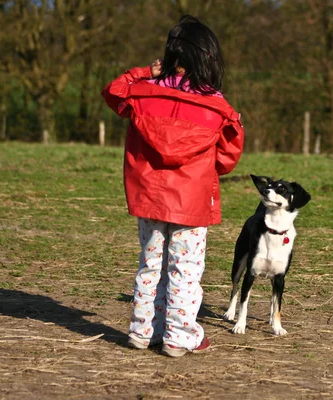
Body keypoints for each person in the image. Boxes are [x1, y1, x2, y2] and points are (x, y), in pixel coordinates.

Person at [101, 15, 244, 357]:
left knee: (151, 264)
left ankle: (141, 330)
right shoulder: (217, 106)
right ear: (208, 58)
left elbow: (113, 92)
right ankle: (180, 336)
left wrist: (143, 74)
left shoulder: (143, 94)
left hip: (149, 195)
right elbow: (227, 159)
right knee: (186, 269)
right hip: (191, 201)